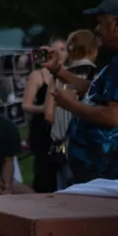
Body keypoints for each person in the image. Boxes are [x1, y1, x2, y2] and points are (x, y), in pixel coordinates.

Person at [46, 0, 118, 184]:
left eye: (100, 22)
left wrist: (71, 106)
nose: (97, 29)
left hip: (103, 175)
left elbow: (114, 116)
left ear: (115, 24)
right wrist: (58, 70)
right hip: (102, 172)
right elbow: (97, 91)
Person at [46, 30, 98, 189]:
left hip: (59, 147)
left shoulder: (59, 76)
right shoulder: (95, 75)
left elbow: (49, 114)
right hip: (84, 148)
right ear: (92, 50)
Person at [23, 38, 68, 193]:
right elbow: (26, 104)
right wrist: (43, 108)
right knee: (44, 169)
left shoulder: (70, 74)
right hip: (42, 128)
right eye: (57, 50)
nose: (61, 54)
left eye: (64, 49)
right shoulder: (38, 76)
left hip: (62, 126)